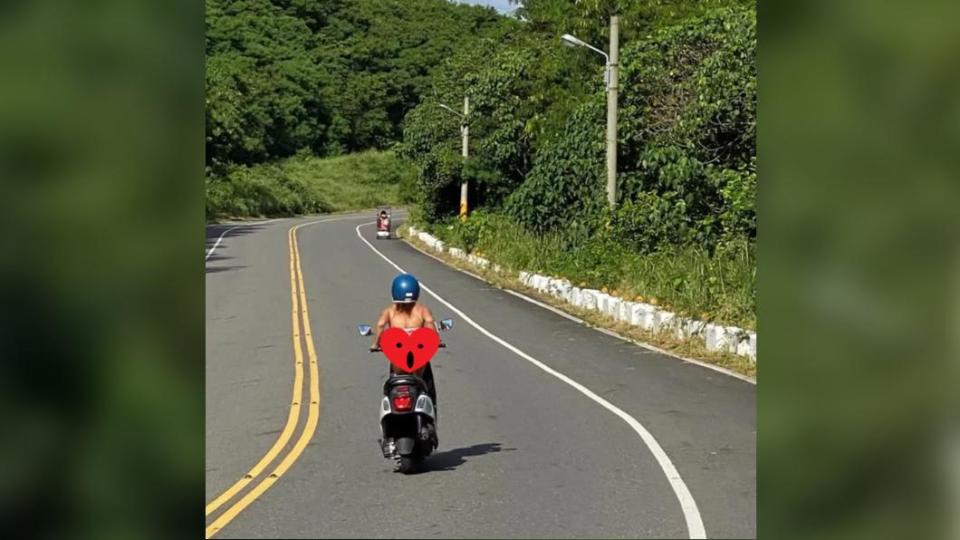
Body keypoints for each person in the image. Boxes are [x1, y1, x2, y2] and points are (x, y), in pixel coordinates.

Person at [370, 273, 438, 409]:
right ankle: (431, 406)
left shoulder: (389, 311)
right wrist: (436, 340)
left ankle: (390, 404)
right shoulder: (422, 310)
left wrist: (375, 344)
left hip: (398, 362)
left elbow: (380, 325)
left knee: (392, 383)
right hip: (419, 361)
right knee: (428, 387)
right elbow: (430, 323)